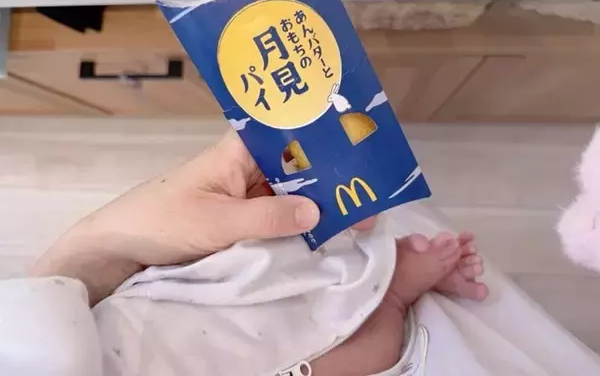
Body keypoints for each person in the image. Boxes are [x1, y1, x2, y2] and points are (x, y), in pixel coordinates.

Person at [1, 130, 488, 376]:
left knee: (257, 262)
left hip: (138, 322)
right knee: (338, 346)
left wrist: (98, 246)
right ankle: (391, 293)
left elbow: (40, 322)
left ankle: (379, 268)